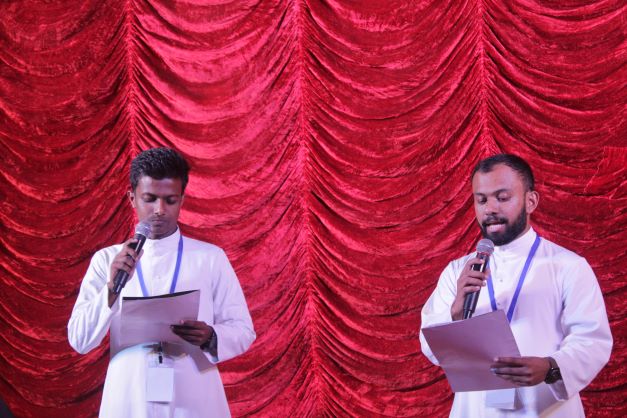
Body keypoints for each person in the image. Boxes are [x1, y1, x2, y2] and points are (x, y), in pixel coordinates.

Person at [68, 147, 256, 418]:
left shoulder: (210, 258)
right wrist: (111, 289)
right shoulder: (107, 260)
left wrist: (211, 336)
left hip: (194, 393)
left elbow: (243, 330)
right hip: (129, 393)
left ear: (182, 200)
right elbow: (79, 339)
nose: (159, 210)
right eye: (149, 198)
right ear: (132, 198)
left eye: (170, 200)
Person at [419, 154, 612, 417]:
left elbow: (593, 340)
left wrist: (550, 368)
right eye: (481, 200)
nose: (490, 209)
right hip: (475, 410)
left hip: (545, 408)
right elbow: (430, 347)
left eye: (502, 197)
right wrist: (454, 315)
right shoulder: (457, 272)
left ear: (531, 201)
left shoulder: (568, 266)